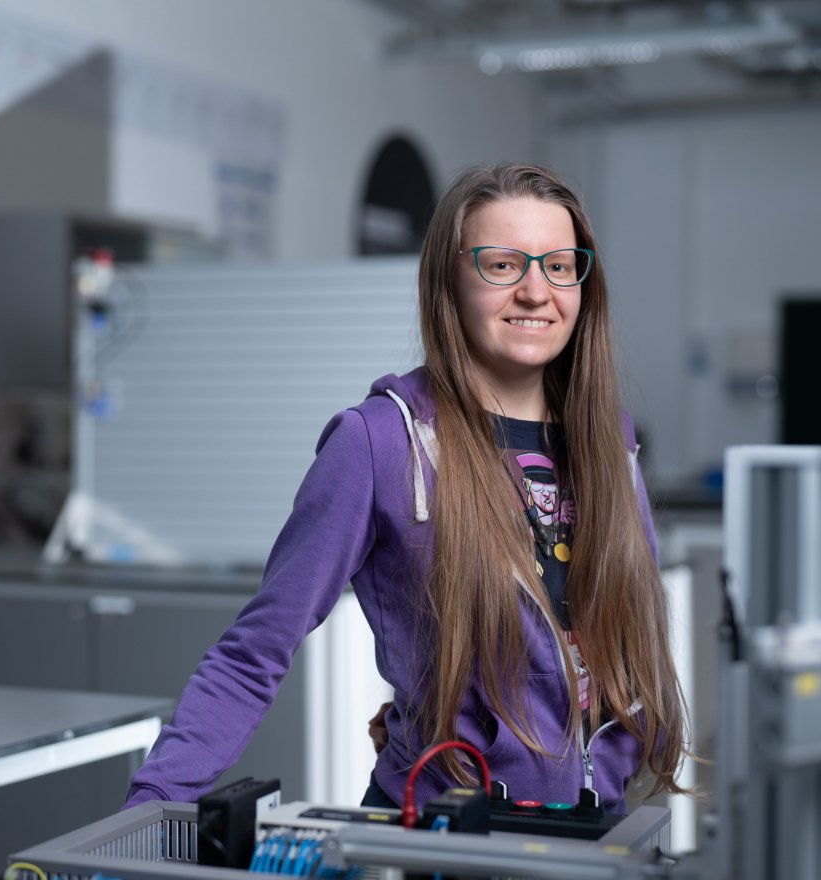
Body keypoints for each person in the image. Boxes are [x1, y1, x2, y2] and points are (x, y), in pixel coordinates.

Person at [124, 162, 687, 814]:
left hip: (597, 835)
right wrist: (146, 814)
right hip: (444, 843)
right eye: (502, 264)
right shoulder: (380, 444)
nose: (537, 291)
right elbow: (253, 655)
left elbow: (616, 652)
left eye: (560, 266)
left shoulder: (609, 448)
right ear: (450, 281)